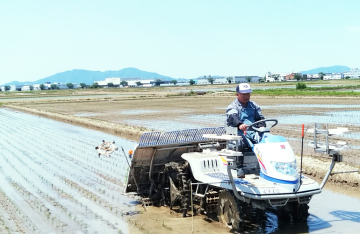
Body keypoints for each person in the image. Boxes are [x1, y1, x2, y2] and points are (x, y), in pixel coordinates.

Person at [226, 83, 265, 178]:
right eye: (243, 94)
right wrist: (240, 124)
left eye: (248, 94)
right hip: (238, 133)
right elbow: (233, 117)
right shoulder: (233, 106)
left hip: (252, 132)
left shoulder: (254, 105)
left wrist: (261, 125)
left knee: (267, 140)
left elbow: (260, 118)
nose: (246, 96)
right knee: (240, 142)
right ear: (237, 94)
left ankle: (265, 167)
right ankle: (240, 168)